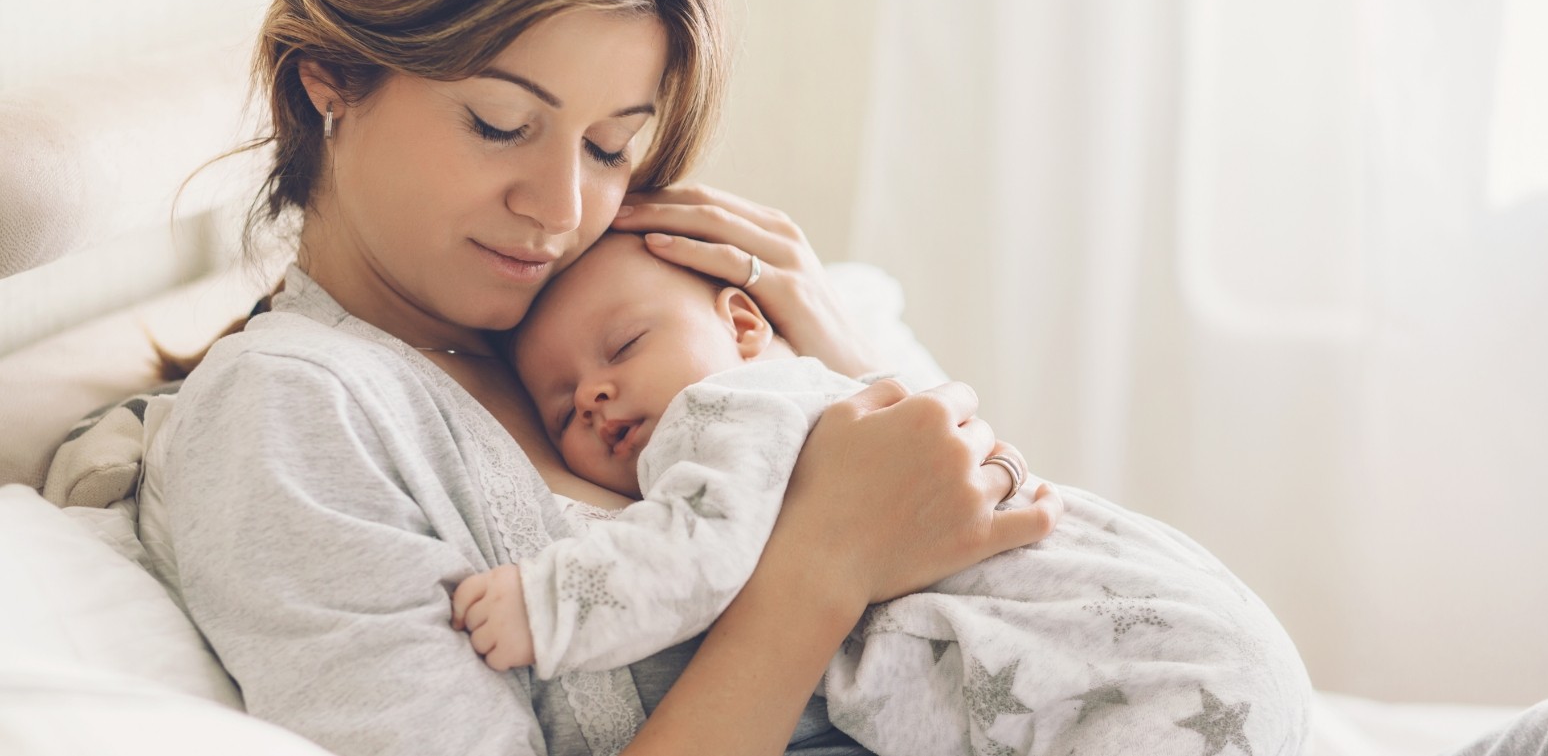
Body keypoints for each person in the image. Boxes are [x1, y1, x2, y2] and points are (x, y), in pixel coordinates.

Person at [138, 0, 1062, 755]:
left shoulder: (637, 300)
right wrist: (824, 564)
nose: (563, 209)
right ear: (330, 76)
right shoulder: (290, 412)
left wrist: (835, 352)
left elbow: (997, 560)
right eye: (500, 123)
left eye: (611, 145)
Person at [451, 231, 1314, 755]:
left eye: (623, 344)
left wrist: (546, 602)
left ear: (744, 324)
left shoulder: (726, 412)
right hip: (1196, 652)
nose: (595, 394)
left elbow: (692, 555)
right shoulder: (825, 401)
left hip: (1150, 674)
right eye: (562, 404)